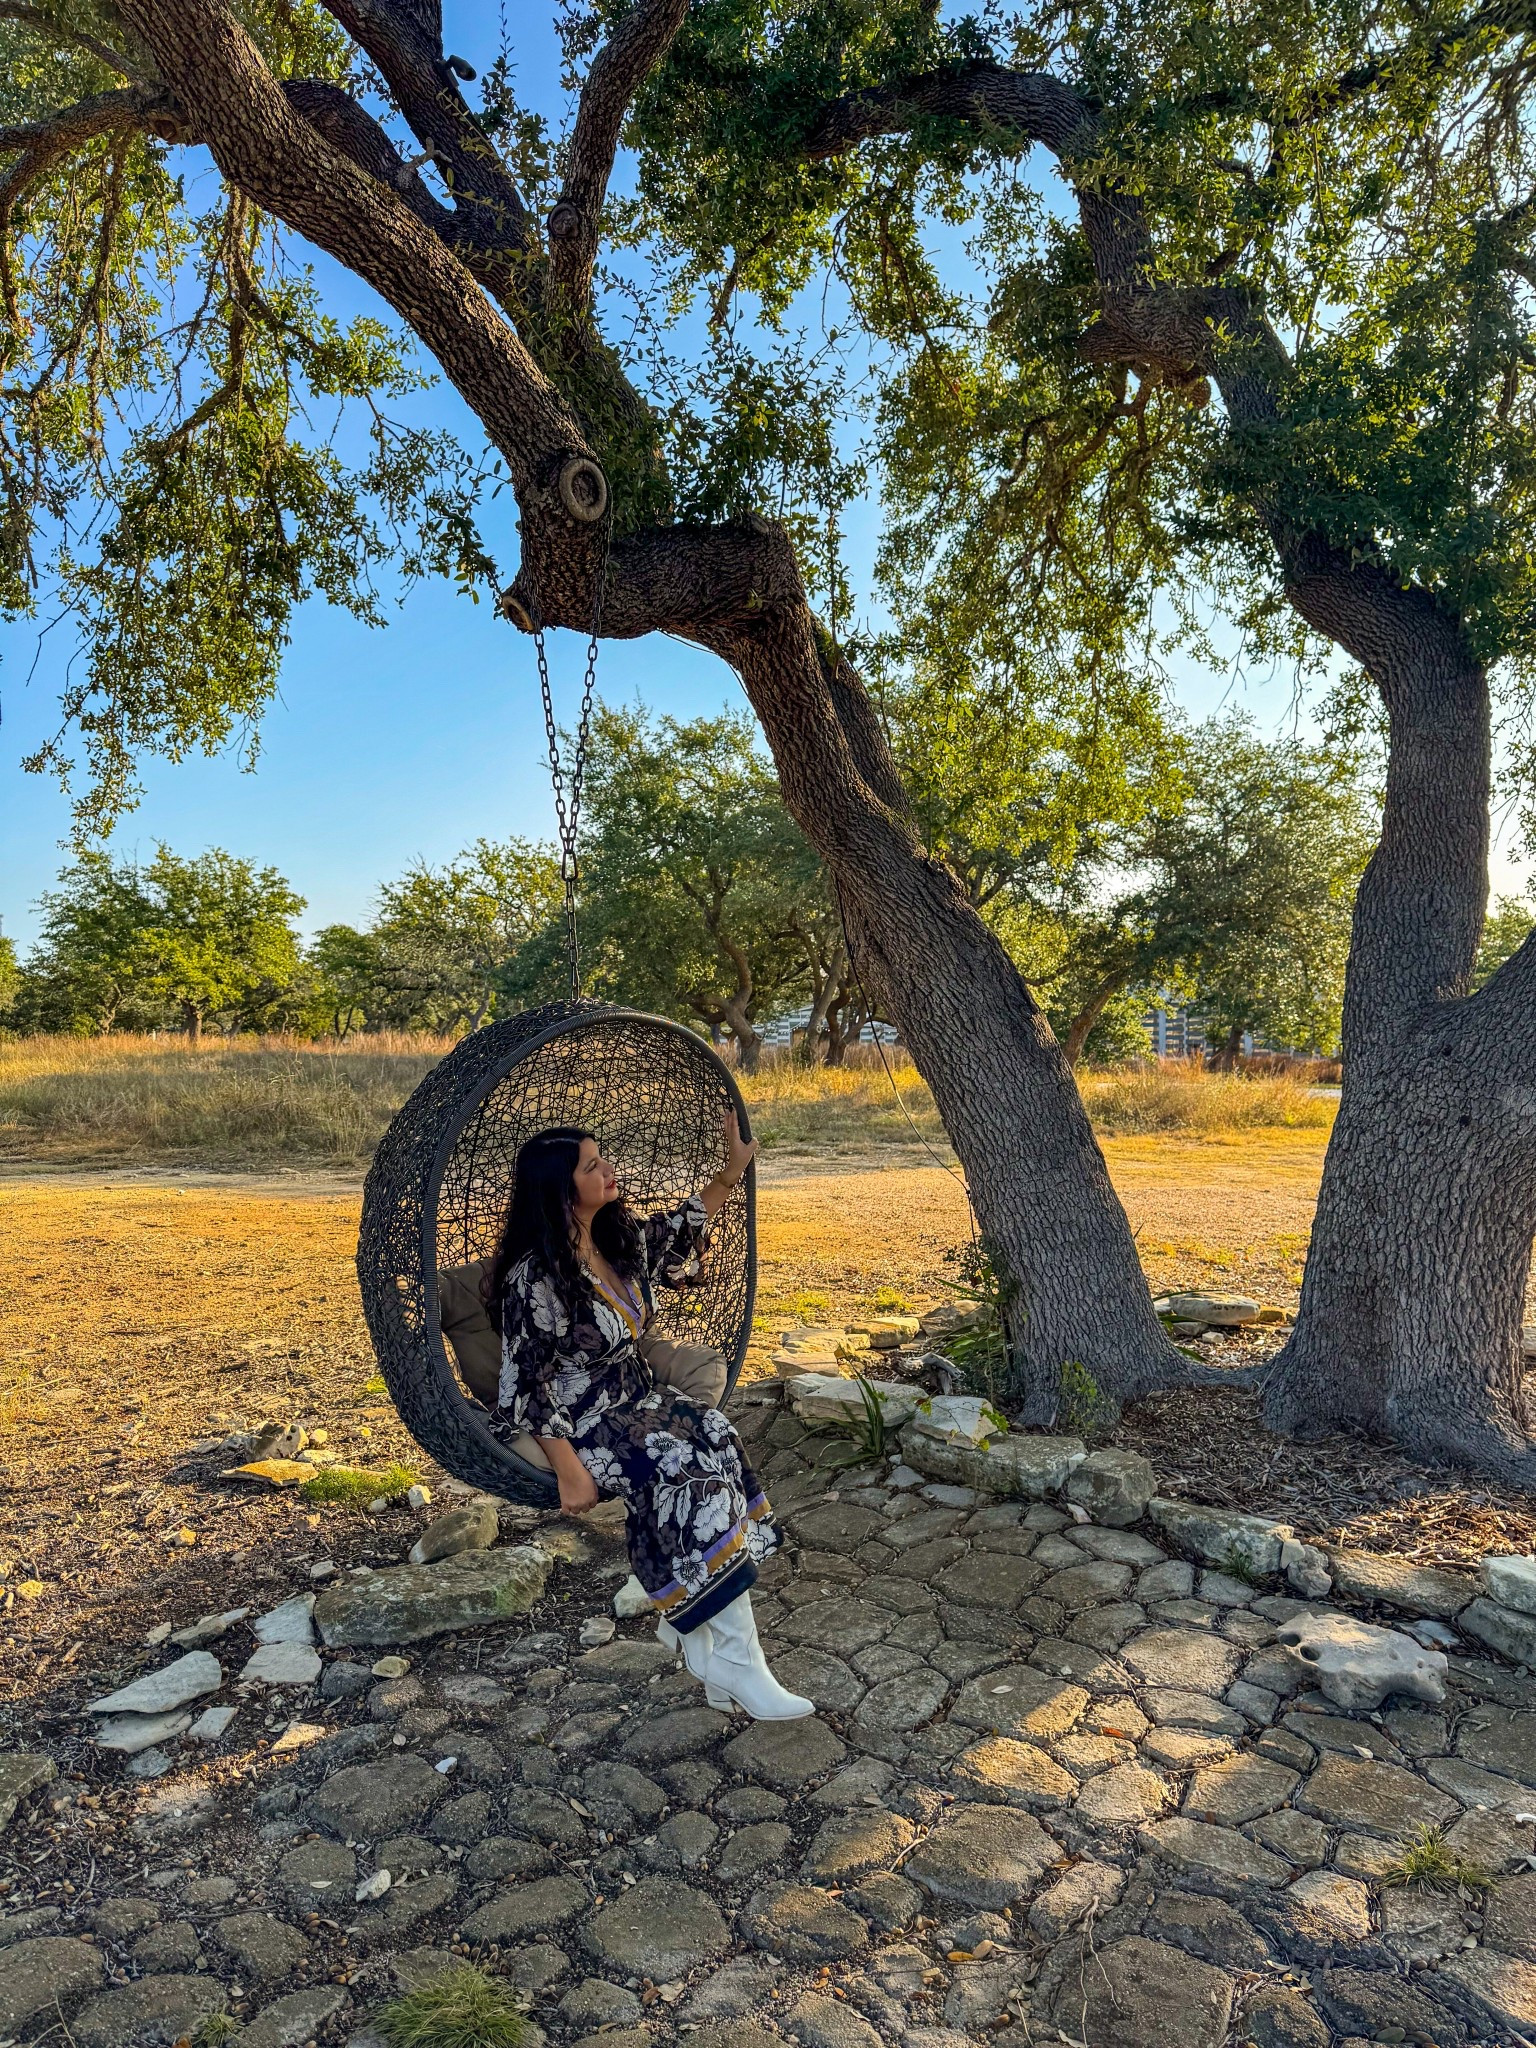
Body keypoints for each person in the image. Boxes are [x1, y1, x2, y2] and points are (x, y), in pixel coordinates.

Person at [485, 1117, 812, 1721]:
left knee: (717, 1433)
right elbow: (523, 1384)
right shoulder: (533, 1279)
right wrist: (568, 1471)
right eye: (591, 1166)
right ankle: (736, 1659)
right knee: (685, 1467)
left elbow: (679, 1227)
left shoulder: (614, 1237)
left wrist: (731, 1172)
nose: (608, 1170)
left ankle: (701, 1642)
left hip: (633, 1401)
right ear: (560, 1189)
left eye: (601, 1159)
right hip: (577, 1418)